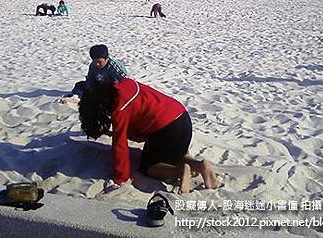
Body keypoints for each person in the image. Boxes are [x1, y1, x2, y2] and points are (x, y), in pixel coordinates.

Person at [78, 79, 218, 194]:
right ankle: (200, 165)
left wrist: (121, 177)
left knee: (148, 167)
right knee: (172, 155)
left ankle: (180, 171)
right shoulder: (126, 83)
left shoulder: (119, 109)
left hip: (165, 129)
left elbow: (120, 146)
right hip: (183, 118)